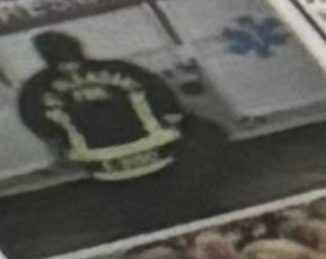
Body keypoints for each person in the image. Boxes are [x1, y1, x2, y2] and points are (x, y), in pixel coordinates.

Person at [11, 28, 194, 192]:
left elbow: (39, 125)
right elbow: (168, 103)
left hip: (101, 164)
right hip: (157, 150)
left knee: (134, 208)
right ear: (77, 47)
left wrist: (65, 144)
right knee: (177, 196)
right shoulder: (123, 69)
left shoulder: (36, 87)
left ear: (44, 56)